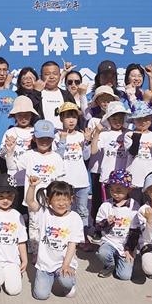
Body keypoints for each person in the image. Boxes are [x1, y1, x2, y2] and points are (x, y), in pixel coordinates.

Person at [27, 179, 84, 300]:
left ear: (71, 199)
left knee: (66, 282)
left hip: (63, 262)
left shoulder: (75, 218)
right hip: (45, 265)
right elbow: (30, 202)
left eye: (65, 199)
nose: (62, 203)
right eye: (57, 200)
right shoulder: (44, 213)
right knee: (40, 295)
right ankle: (49, 278)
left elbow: (72, 244)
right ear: (48, 200)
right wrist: (32, 186)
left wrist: (66, 265)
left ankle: (69, 283)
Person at [54, 102, 92, 238]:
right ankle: (66, 235)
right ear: (61, 118)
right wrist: (63, 140)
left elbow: (86, 156)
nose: (71, 120)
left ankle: (82, 237)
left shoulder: (81, 135)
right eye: (67, 117)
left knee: (82, 211)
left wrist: (87, 142)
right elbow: (57, 158)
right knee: (65, 209)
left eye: (74, 117)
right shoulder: (56, 135)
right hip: (64, 181)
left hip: (81, 180)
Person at [94, 170, 139, 280]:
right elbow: (97, 227)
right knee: (103, 252)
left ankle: (120, 259)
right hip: (110, 241)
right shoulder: (106, 205)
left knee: (124, 276)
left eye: (119, 190)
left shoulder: (134, 206)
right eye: (112, 190)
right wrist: (106, 223)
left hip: (125, 244)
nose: (115, 193)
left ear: (129, 189)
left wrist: (129, 249)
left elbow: (135, 230)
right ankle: (109, 264)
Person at [13, 119, 65, 204]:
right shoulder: (28, 155)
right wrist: (10, 152)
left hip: (52, 201)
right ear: (34, 138)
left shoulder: (57, 157)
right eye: (41, 138)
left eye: (48, 138)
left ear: (53, 139)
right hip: (32, 201)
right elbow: (12, 168)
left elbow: (60, 181)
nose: (44, 142)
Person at [0, 96, 37, 209]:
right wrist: (8, 148)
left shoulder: (36, 131)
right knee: (15, 206)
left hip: (32, 176)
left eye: (26, 115)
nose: (23, 118)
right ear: (14, 116)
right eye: (20, 115)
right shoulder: (10, 132)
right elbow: (2, 154)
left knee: (31, 206)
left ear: (31, 115)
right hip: (14, 175)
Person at [91, 101, 130, 201]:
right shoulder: (104, 134)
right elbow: (93, 151)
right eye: (114, 119)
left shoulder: (129, 133)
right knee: (109, 204)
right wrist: (97, 133)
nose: (117, 122)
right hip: (108, 177)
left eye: (120, 119)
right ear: (108, 119)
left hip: (126, 177)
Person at [124, 102, 152, 203]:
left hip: (151, 177)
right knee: (134, 205)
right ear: (133, 120)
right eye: (139, 119)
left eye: (146, 118)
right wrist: (136, 137)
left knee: (149, 205)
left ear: (151, 119)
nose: (143, 122)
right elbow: (132, 152)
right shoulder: (129, 134)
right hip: (134, 178)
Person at [37, 61, 75, 127]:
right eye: (47, 74)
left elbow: (75, 115)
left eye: (55, 73)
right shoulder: (36, 95)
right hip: (42, 133)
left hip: (63, 133)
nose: (51, 77)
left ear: (60, 76)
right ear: (41, 77)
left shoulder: (67, 95)